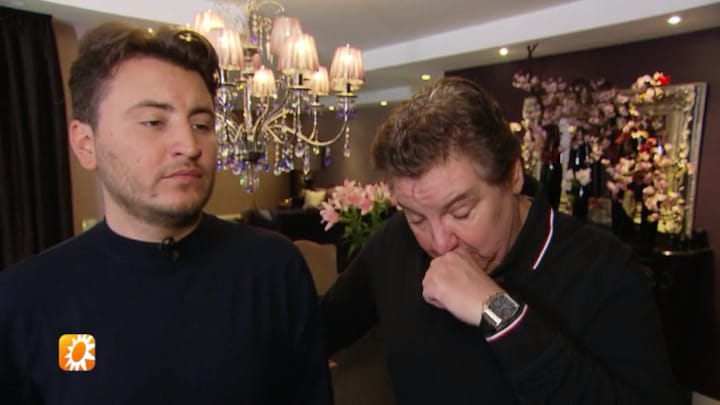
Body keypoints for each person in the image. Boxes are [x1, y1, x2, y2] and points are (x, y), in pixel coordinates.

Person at [0, 22, 332, 404]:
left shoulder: (273, 268)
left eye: (202, 124)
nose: (189, 145)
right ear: (85, 144)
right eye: (154, 122)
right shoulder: (25, 299)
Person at [321, 77, 682, 404]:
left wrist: (500, 313)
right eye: (416, 217)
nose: (440, 244)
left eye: (461, 212)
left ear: (512, 176)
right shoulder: (393, 242)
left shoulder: (604, 268)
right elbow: (317, 330)